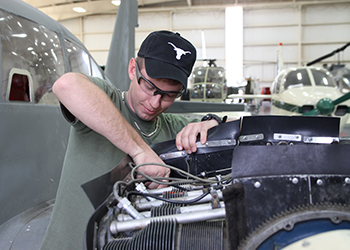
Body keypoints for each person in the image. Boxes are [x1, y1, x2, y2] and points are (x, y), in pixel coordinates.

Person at [40, 30, 224, 250]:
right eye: (149, 87)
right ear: (131, 69)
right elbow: (66, 85)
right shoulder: (107, 101)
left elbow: (237, 126)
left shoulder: (174, 127)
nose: (155, 102)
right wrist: (140, 151)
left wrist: (211, 122)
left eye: (169, 95)